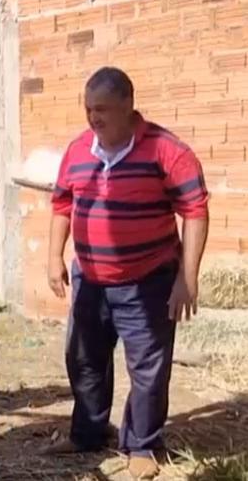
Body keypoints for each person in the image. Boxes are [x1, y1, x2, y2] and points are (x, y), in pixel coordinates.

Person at [44, 67, 209, 480]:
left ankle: (143, 445)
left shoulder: (167, 150)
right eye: (88, 109)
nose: (93, 118)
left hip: (148, 280)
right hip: (90, 279)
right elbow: (62, 204)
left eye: (102, 109)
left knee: (148, 367)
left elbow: (194, 210)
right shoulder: (79, 149)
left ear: (128, 106)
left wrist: (186, 278)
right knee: (83, 359)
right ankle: (88, 433)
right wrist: (53, 258)